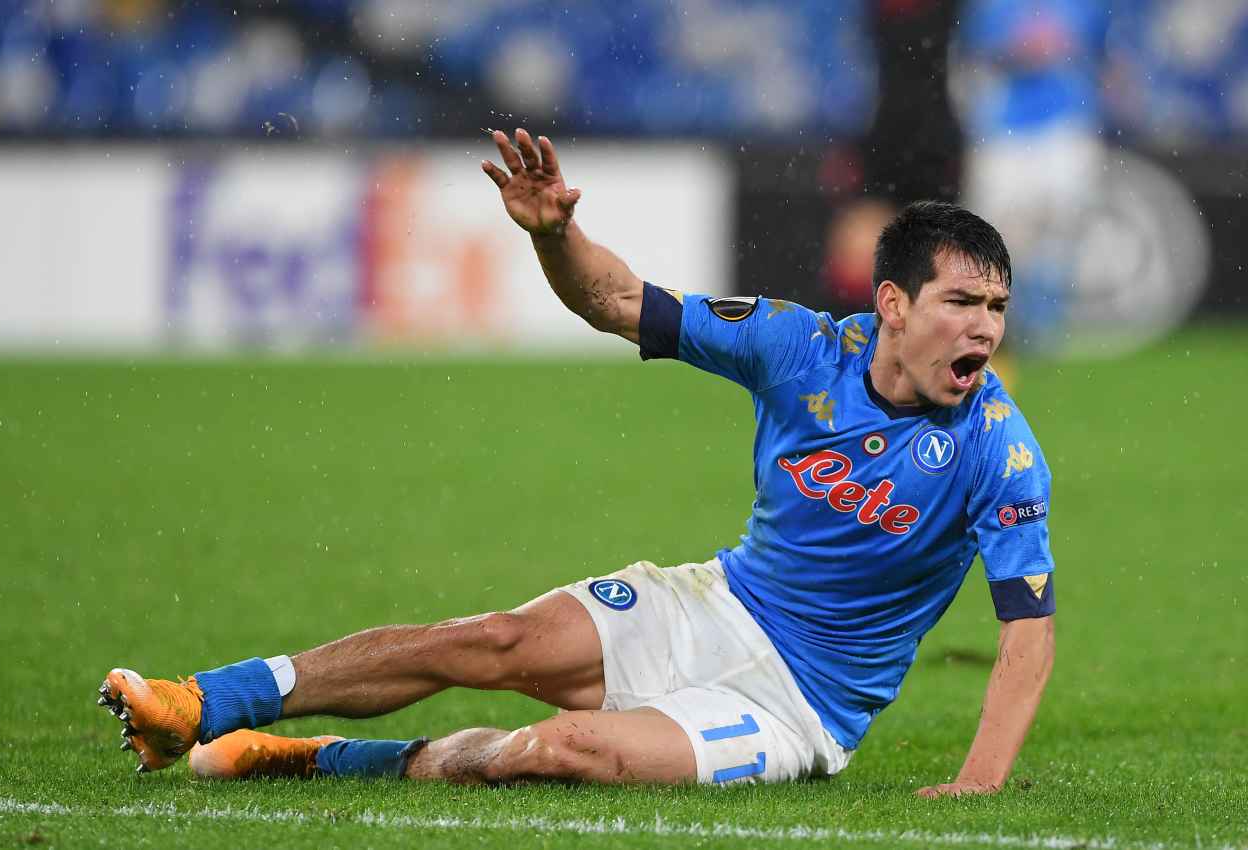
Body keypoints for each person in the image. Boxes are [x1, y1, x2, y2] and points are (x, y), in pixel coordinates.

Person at [98, 129, 1055, 796]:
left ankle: (315, 758)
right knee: (487, 641)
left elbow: (1027, 629)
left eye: (997, 308)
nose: (986, 329)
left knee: (554, 753)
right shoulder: (798, 347)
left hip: (795, 706)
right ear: (892, 304)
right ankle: (201, 702)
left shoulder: (999, 449)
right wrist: (556, 235)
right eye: (962, 303)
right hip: (714, 603)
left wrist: (978, 783)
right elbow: (615, 301)